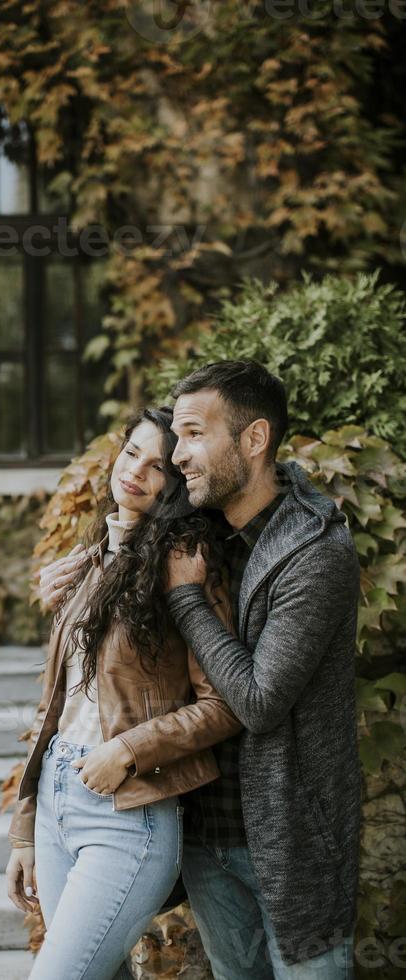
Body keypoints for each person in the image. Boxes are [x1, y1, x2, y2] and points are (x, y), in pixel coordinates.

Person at [6, 406, 242, 980]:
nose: (136, 471)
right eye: (132, 452)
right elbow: (57, 706)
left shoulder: (185, 564)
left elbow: (226, 703)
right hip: (59, 799)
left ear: (176, 483)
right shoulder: (94, 560)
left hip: (127, 814)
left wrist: (129, 750)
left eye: (158, 465)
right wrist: (24, 826)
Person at [164, 359, 361, 979]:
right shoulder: (197, 532)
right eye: (176, 435)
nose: (177, 454)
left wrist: (187, 600)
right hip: (205, 841)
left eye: (195, 433)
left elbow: (259, 701)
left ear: (254, 440)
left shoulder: (316, 552)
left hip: (293, 846)